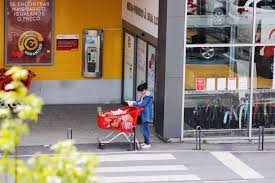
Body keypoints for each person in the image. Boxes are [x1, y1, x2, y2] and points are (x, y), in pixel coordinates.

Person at [127, 83, 153, 149]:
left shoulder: (148, 95)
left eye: (141, 91)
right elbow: (139, 102)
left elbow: (142, 104)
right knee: (145, 128)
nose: (140, 93)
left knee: (143, 129)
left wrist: (133, 103)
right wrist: (133, 102)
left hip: (146, 114)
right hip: (144, 113)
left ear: (144, 90)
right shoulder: (145, 94)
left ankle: (148, 143)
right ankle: (146, 142)